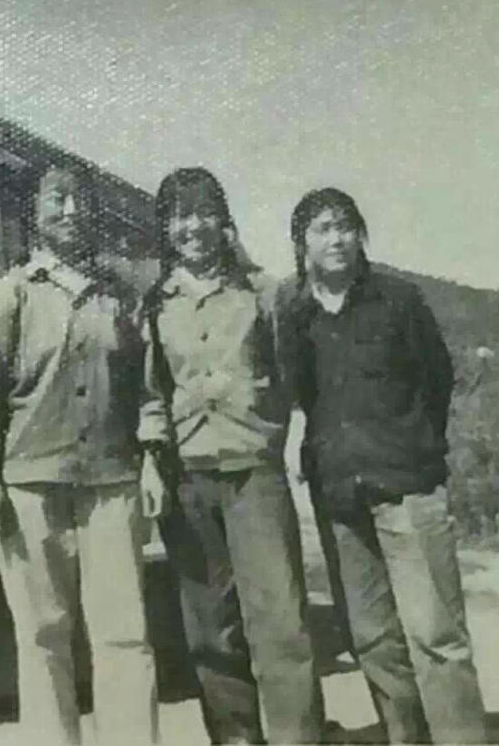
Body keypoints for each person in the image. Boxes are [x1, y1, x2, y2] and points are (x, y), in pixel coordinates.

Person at [0, 166, 157, 746]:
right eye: (57, 199)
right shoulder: (7, 296)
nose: (70, 210)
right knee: (43, 634)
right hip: (30, 487)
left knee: (124, 632)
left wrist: (152, 461)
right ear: (34, 211)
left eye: (80, 199)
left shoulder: (121, 297)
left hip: (112, 483)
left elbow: (149, 391)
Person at [277, 187, 487, 744]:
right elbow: (298, 397)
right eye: (322, 229)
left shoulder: (399, 300)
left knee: (435, 635)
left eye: (345, 226)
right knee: (371, 637)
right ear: (302, 243)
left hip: (408, 487)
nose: (336, 239)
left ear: (360, 234)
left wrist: (414, 448)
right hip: (339, 496)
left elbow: (437, 380)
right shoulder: (295, 317)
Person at [137, 167, 323, 744]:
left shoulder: (265, 293)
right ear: (166, 228)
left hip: (254, 473)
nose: (192, 227)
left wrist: (289, 433)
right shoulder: (156, 303)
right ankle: (237, 738)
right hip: (188, 479)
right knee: (210, 629)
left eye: (203, 213)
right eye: (179, 216)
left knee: (280, 622)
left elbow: (297, 376)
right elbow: (151, 393)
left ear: (223, 221)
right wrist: (152, 459)